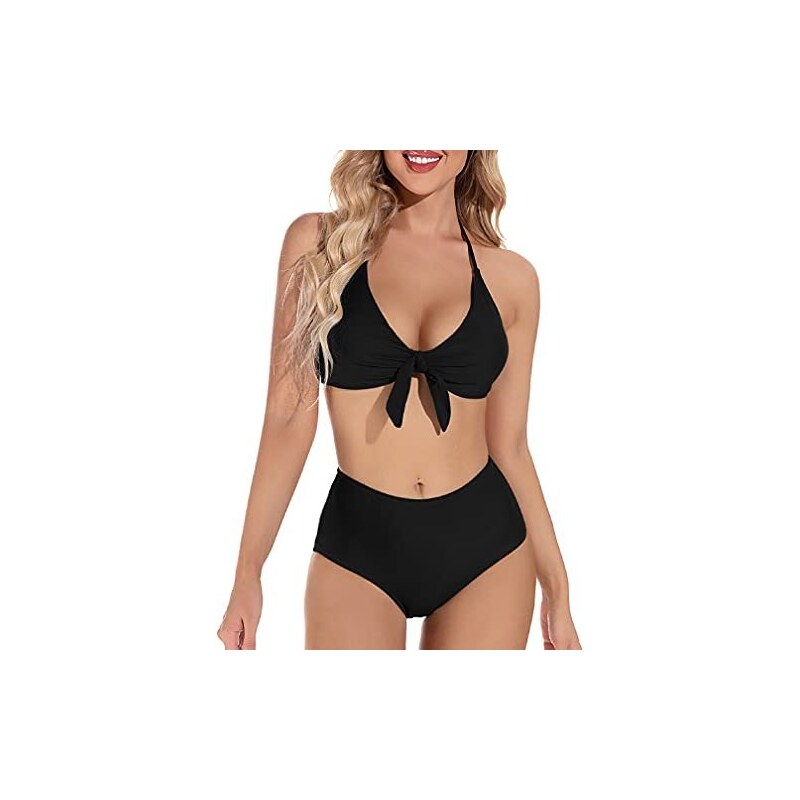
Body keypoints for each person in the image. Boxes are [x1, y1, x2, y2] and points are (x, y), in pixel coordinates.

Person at [217, 150, 581, 650]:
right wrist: (248, 573)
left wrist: (558, 590)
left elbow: (511, 446)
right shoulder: (320, 246)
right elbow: (287, 418)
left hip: (488, 551)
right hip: (358, 546)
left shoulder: (512, 279)